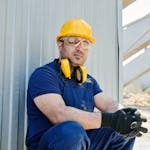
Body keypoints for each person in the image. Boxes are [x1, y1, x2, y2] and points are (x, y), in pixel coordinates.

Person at [26, 18, 148, 150]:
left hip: (81, 143)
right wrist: (111, 120)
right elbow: (59, 114)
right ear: (60, 44)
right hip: (50, 144)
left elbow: (108, 104)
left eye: (85, 43)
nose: (80, 48)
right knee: (72, 130)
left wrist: (125, 114)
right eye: (73, 42)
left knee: (123, 130)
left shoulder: (88, 81)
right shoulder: (44, 75)